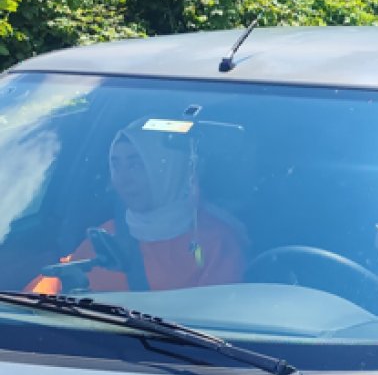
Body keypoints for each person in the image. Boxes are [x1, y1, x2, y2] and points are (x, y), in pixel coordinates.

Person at [28, 118, 246, 293]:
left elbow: (210, 326)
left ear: (169, 171)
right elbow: (51, 286)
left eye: (136, 164)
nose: (123, 179)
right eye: (116, 165)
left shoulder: (216, 242)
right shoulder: (106, 236)